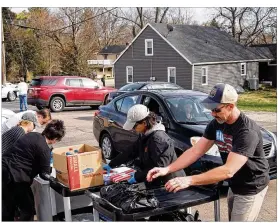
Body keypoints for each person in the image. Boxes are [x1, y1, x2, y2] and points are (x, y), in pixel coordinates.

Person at [147, 83, 270, 221]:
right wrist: (167, 169)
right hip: (235, 183)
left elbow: (228, 170)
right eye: (210, 109)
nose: (212, 113)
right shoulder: (216, 123)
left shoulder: (246, 131)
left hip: (251, 186)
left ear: (230, 106)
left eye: (216, 109)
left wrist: (189, 180)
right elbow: (195, 151)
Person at [103, 104, 185, 187]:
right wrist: (112, 164)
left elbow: (159, 168)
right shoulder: (145, 134)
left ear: (144, 123)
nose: (133, 129)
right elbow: (131, 151)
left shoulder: (159, 140)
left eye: (135, 126)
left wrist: (137, 177)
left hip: (169, 183)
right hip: (153, 180)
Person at [2, 119, 66, 221]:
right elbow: (44, 174)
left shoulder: (32, 135)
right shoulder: (45, 149)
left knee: (7, 207)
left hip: (3, 168)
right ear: (55, 139)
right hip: (16, 178)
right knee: (27, 209)